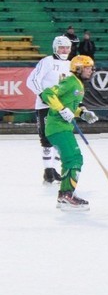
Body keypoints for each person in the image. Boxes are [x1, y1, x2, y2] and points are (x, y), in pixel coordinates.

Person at [39, 55, 98, 210]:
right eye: (87, 67)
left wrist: (83, 113)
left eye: (91, 67)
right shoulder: (71, 82)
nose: (90, 70)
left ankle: (64, 194)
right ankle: (67, 195)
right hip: (58, 128)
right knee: (75, 159)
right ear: (78, 68)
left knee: (69, 160)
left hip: (63, 128)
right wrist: (61, 109)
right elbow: (47, 94)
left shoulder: (78, 84)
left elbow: (71, 108)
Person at [26, 35, 72, 184]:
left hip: (62, 107)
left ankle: (54, 169)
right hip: (45, 106)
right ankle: (48, 171)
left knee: (60, 138)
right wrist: (42, 95)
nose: (64, 50)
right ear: (55, 48)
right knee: (46, 139)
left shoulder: (71, 64)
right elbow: (32, 80)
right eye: (61, 47)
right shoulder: (47, 61)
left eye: (67, 47)